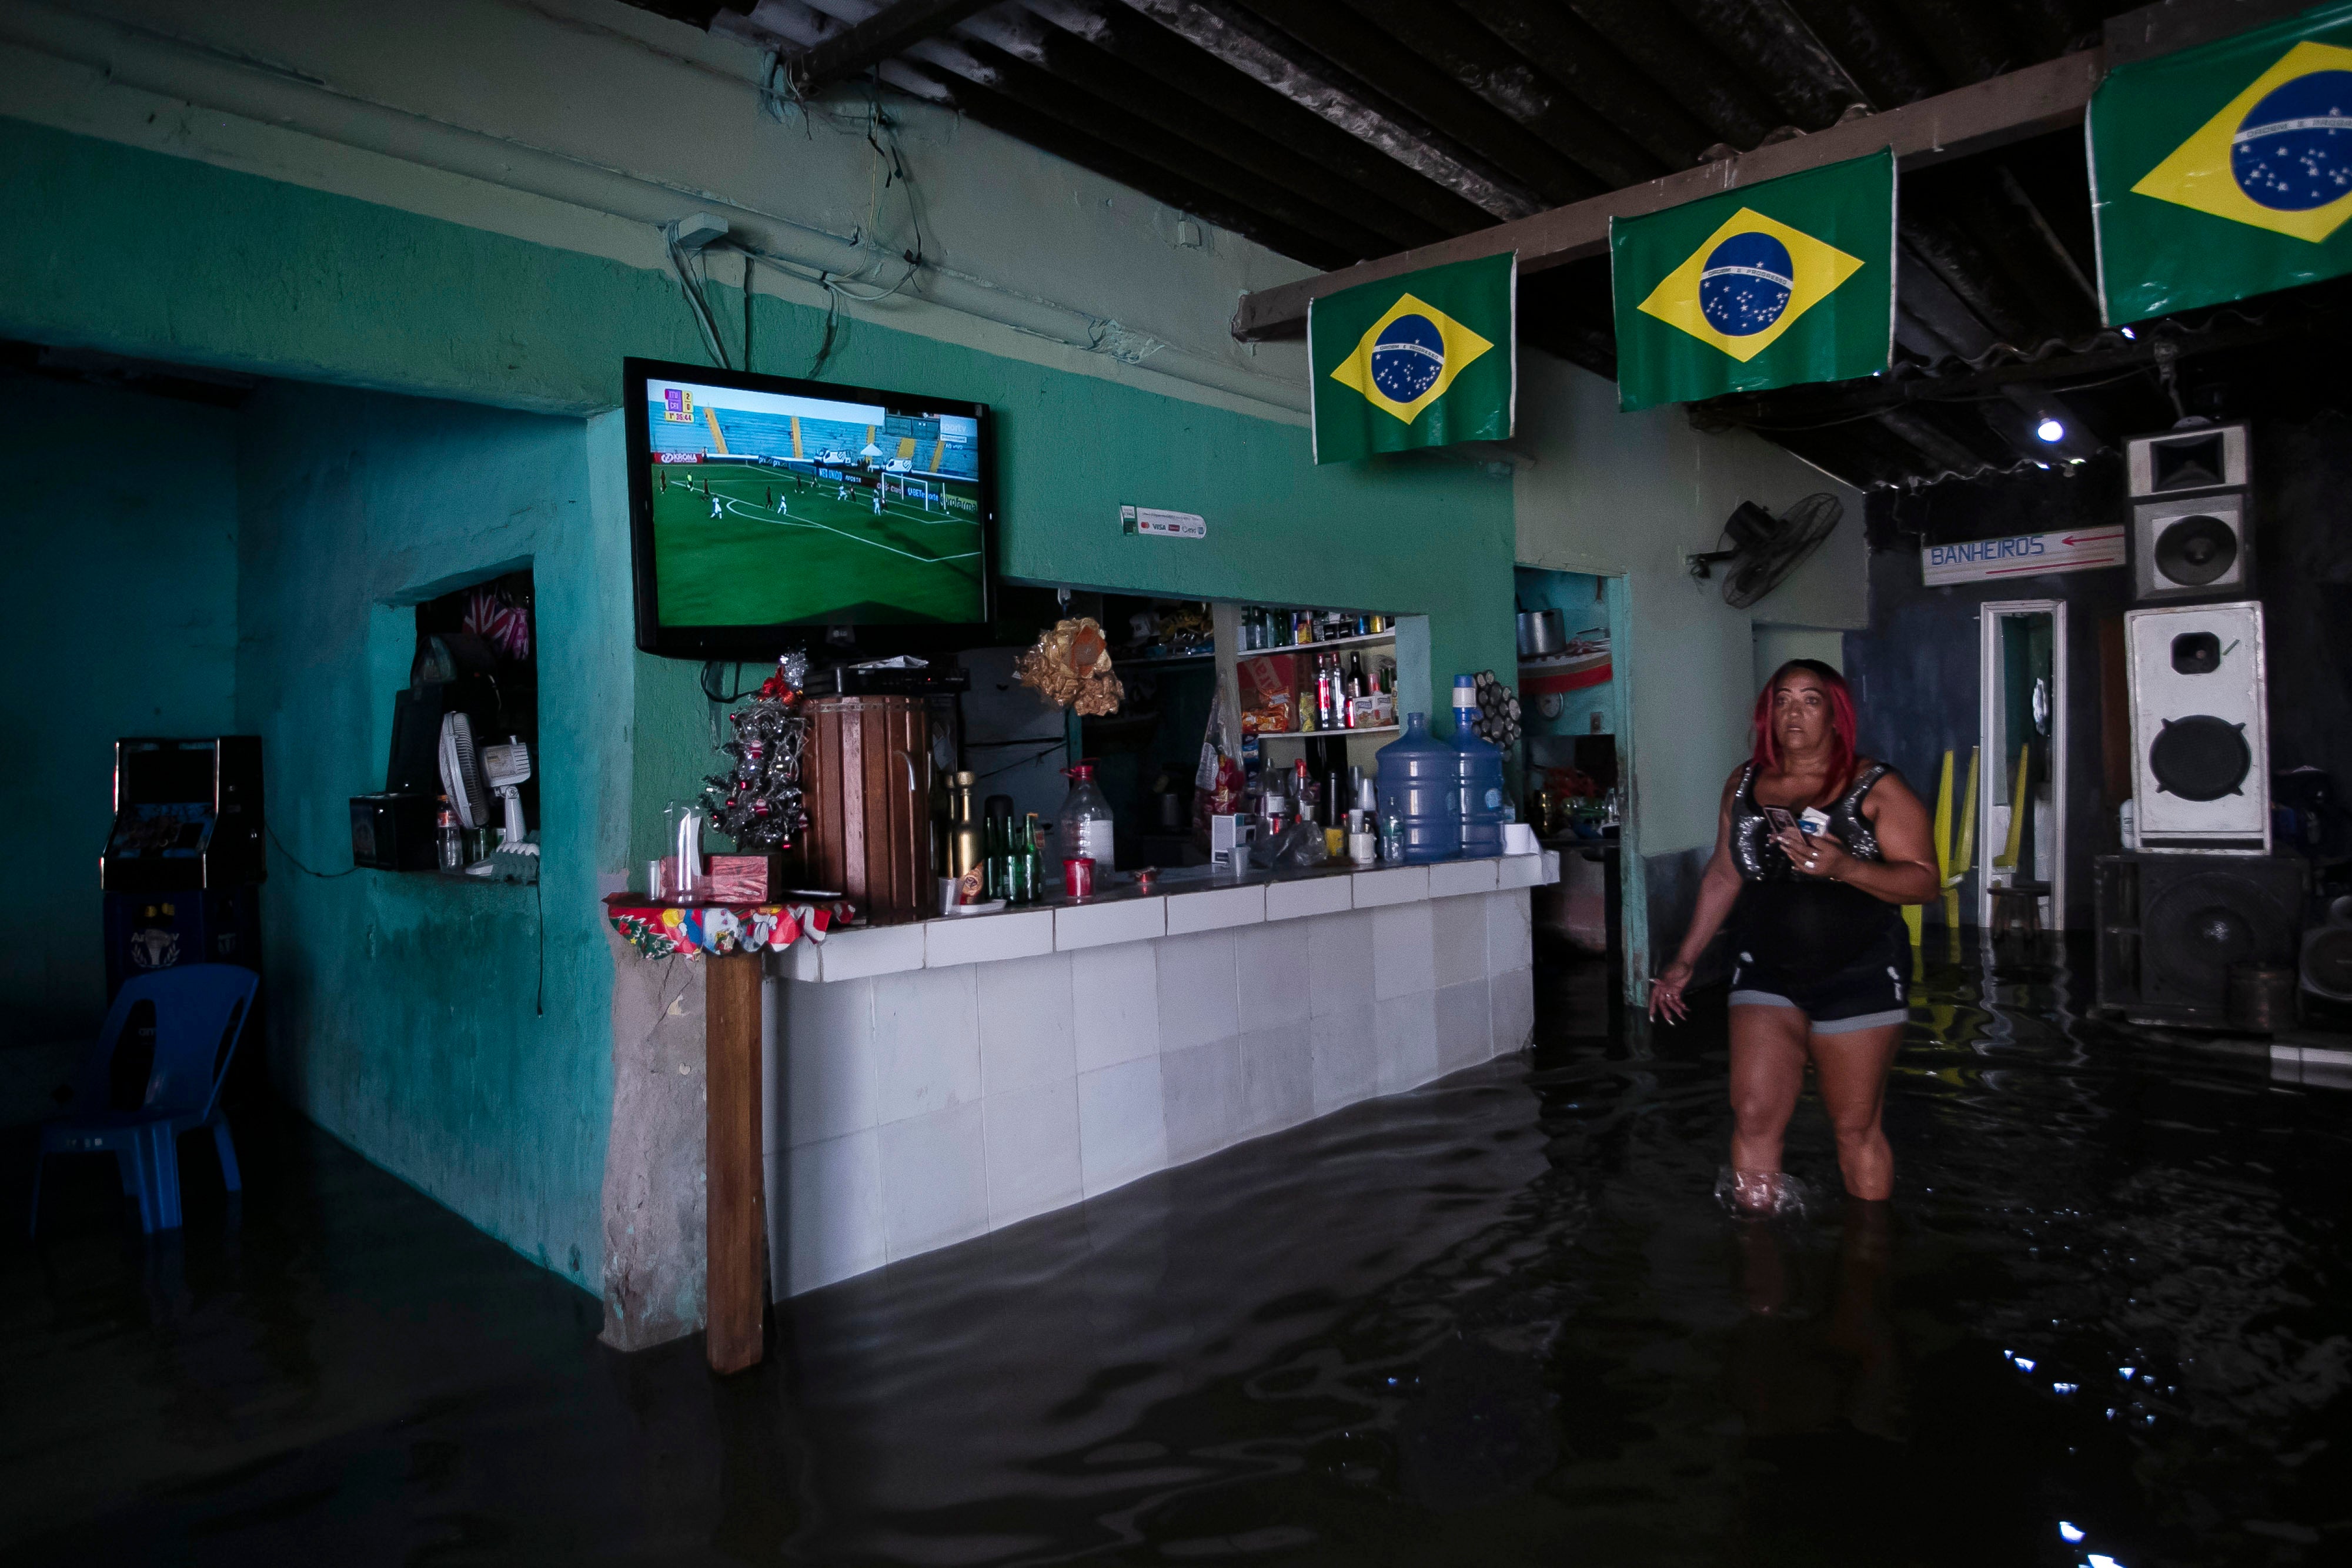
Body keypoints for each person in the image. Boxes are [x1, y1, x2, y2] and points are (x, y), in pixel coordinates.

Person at [1647, 660, 1938, 1209]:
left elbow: (1924, 882)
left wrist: (1845, 868)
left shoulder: (1875, 786)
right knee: (1754, 1114)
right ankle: (1759, 1255)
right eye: (1782, 700)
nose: (1794, 712)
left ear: (1835, 714)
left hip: (1861, 973)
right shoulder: (1744, 783)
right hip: (1766, 970)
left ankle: (1867, 1262)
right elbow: (1724, 873)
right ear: (1767, 713)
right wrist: (1685, 958)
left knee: (1855, 1128)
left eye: (1810, 700)